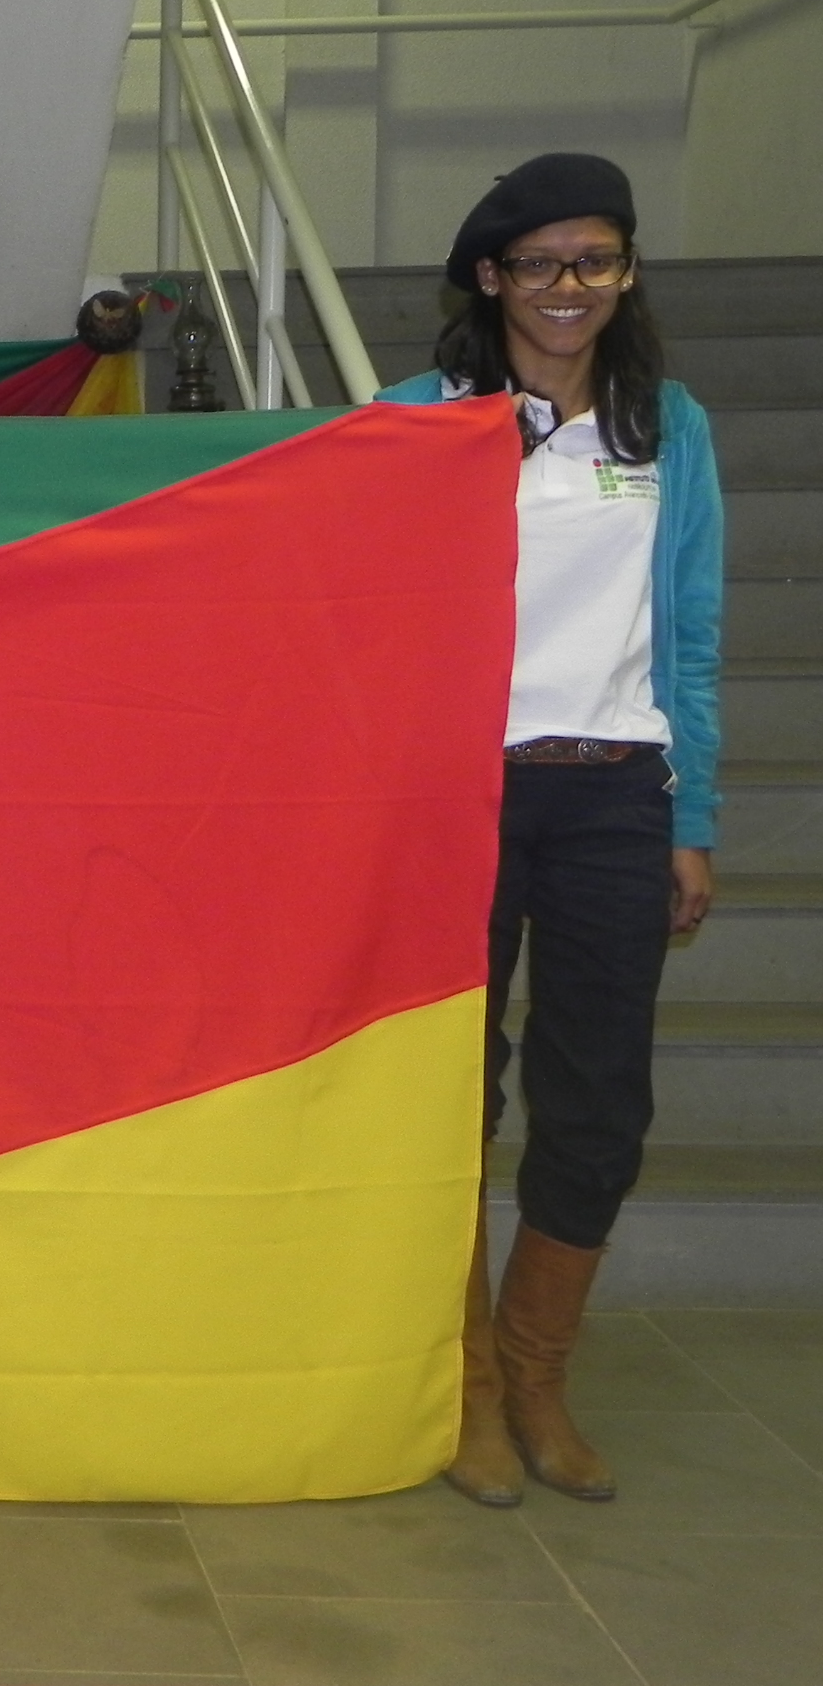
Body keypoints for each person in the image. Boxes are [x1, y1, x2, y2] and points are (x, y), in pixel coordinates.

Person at [381, 152, 722, 1507]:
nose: (568, 286)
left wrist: (694, 814)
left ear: (626, 273)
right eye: (538, 262)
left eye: (596, 259)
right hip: (457, 793)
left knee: (600, 1101)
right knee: (447, 1089)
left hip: (615, 793)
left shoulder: (667, 426)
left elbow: (691, 633)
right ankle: (464, 1382)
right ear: (490, 278)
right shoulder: (418, 419)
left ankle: (537, 1373)